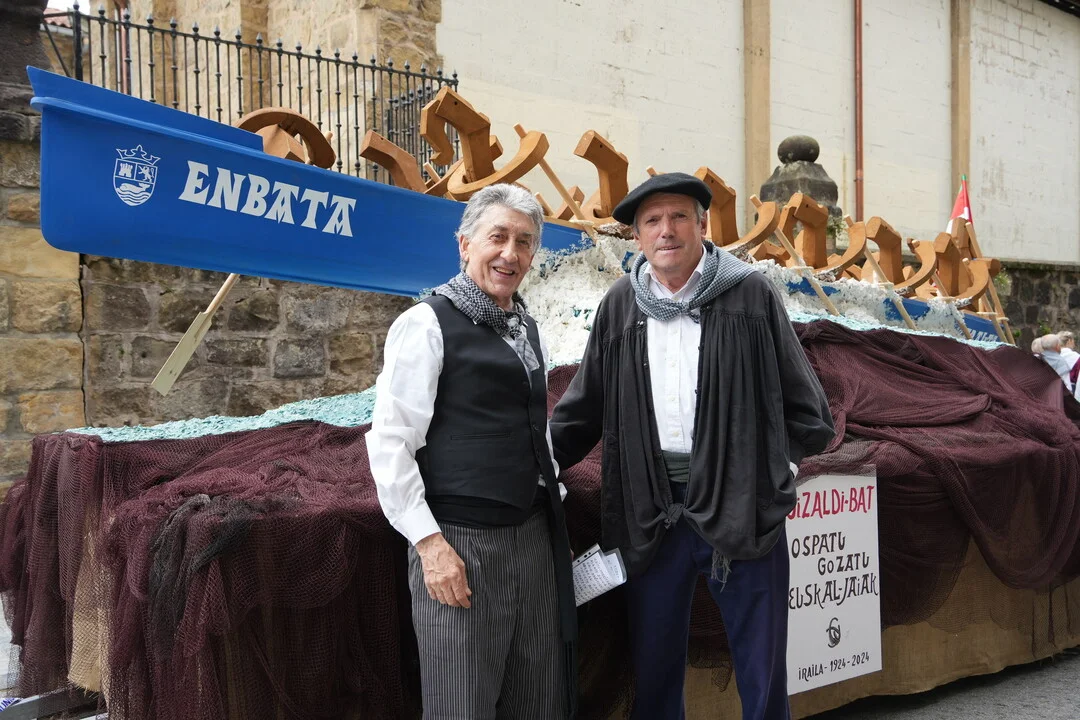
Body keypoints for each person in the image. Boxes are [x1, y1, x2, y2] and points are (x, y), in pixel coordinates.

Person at [550, 173, 835, 720]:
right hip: (650, 512)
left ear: (702, 225)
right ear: (637, 236)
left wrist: (775, 473)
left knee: (761, 668)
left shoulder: (748, 293)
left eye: (679, 216)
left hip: (742, 506)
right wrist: (531, 467)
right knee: (654, 667)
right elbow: (581, 410)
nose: (666, 231)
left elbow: (806, 407)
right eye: (652, 221)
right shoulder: (621, 305)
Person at [366, 184, 576, 719]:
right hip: (461, 544)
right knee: (462, 706)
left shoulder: (527, 327)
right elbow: (391, 441)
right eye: (497, 237)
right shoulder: (425, 323)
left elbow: (532, 426)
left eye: (524, 242)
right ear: (464, 244)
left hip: (532, 537)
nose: (510, 253)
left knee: (540, 703)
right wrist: (429, 545)